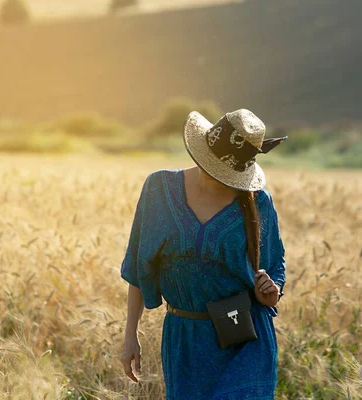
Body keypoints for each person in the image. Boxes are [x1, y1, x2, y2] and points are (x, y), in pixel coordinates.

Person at [120, 109, 288, 399]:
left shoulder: (258, 202)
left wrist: (271, 291)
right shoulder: (159, 189)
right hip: (185, 339)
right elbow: (138, 263)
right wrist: (129, 335)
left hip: (243, 335)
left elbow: (274, 267)